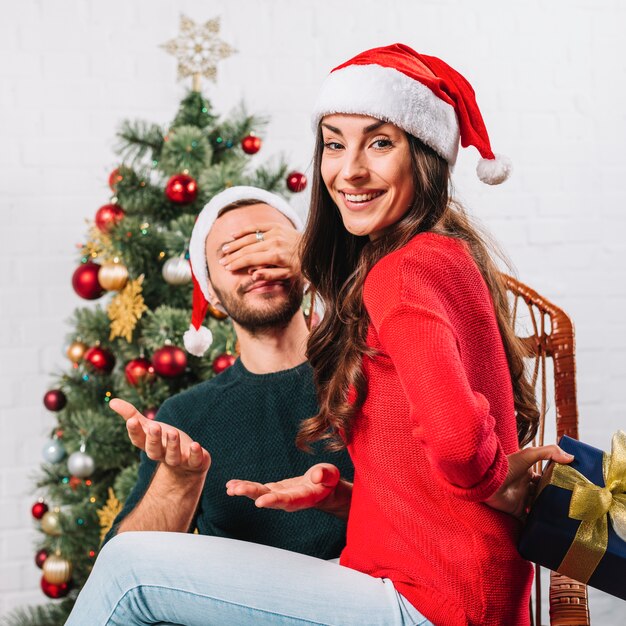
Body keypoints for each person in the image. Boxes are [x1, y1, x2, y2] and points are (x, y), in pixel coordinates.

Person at [66, 45, 574, 626]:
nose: (350, 169)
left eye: (380, 141)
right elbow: (437, 476)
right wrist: (346, 498)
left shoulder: (398, 272)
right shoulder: (444, 254)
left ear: (426, 155)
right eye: (334, 143)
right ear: (208, 286)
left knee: (130, 571)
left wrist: (491, 481)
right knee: (133, 561)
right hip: (448, 586)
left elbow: (461, 448)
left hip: (431, 601)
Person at [102, 185, 353, 560]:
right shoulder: (185, 416)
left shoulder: (370, 369)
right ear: (211, 292)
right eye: (231, 255)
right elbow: (124, 566)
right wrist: (179, 482)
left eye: (268, 243)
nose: (257, 264)